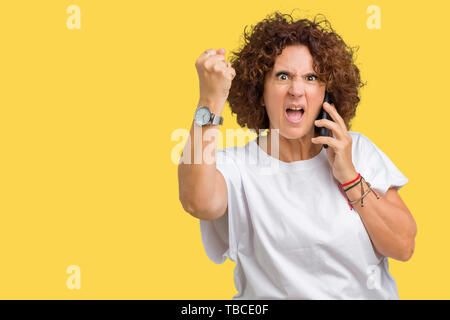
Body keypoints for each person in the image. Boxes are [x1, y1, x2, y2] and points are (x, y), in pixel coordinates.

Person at [178, 11, 417, 299]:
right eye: (282, 76)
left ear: (327, 93)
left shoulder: (358, 150)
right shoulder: (237, 166)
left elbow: (404, 246)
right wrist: (210, 100)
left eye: (311, 77)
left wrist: (349, 176)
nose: (296, 89)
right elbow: (197, 201)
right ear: (260, 90)